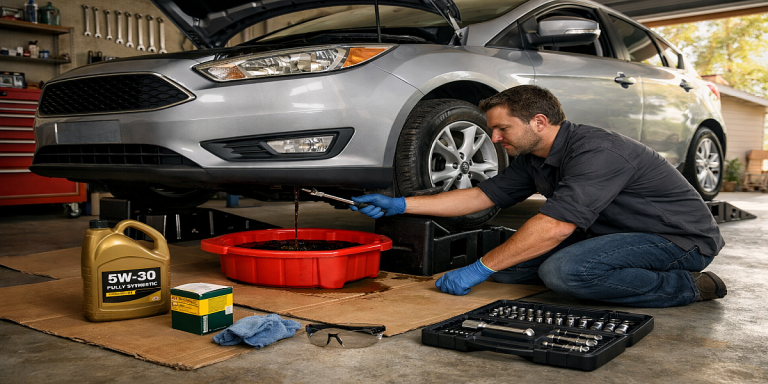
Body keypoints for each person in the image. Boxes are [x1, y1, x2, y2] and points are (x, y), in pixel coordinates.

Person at [350, 85, 726, 308]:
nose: (494, 139)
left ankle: (687, 287)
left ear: (539, 122)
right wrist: (401, 204)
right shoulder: (534, 158)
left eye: (501, 128)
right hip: (615, 233)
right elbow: (481, 196)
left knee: (563, 271)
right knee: (509, 268)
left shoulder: (598, 152)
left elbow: (555, 227)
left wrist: (479, 269)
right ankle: (610, 268)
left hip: (677, 239)